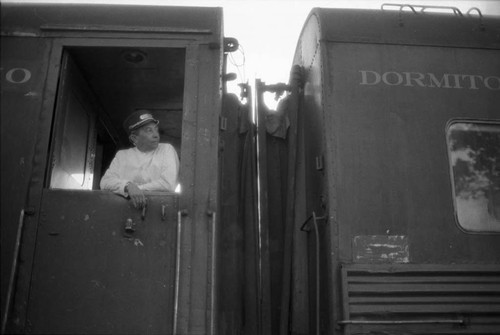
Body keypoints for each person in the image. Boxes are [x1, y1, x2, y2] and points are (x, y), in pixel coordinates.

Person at [100, 110, 179, 208]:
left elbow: (167, 184)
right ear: (134, 138)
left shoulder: (166, 149)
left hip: (159, 210)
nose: (156, 135)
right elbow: (105, 182)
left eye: (156, 129)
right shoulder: (122, 156)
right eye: (149, 130)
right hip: (125, 210)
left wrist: (135, 189)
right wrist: (128, 186)